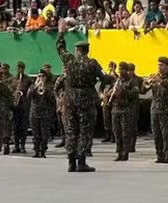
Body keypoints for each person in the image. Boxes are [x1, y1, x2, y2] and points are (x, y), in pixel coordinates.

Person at [56, 28, 110, 172]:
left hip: (70, 99)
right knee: (85, 130)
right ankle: (81, 162)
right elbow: (104, 78)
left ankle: (71, 162)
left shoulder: (70, 60)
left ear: (77, 50)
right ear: (87, 50)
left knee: (71, 129)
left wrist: (61, 33)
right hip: (86, 99)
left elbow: (60, 47)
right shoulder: (92, 63)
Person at [141, 56, 168, 164]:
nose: (159, 67)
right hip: (155, 109)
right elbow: (143, 90)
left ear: (167, 66)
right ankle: (159, 156)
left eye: (161, 65)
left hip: (167, 110)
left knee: (167, 135)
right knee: (156, 134)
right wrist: (147, 83)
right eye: (158, 65)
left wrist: (161, 82)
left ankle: (167, 156)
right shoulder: (156, 76)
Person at [28, 64, 57, 159]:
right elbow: (28, 96)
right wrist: (36, 86)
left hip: (45, 114)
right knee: (36, 134)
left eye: (43, 76)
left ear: (46, 77)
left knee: (45, 135)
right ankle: (36, 151)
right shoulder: (33, 86)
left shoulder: (50, 87)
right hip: (34, 113)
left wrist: (45, 89)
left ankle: (43, 151)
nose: (41, 78)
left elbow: (53, 99)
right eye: (39, 76)